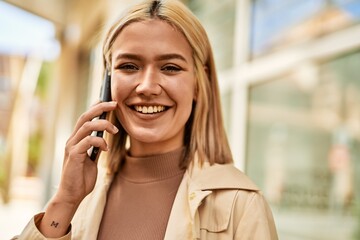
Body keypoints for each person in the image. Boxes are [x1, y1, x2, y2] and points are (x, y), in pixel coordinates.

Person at [15, 0, 278, 239]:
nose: (147, 86)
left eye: (170, 68)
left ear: (199, 84)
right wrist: (65, 200)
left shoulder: (241, 204)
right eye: (129, 66)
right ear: (108, 84)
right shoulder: (82, 196)